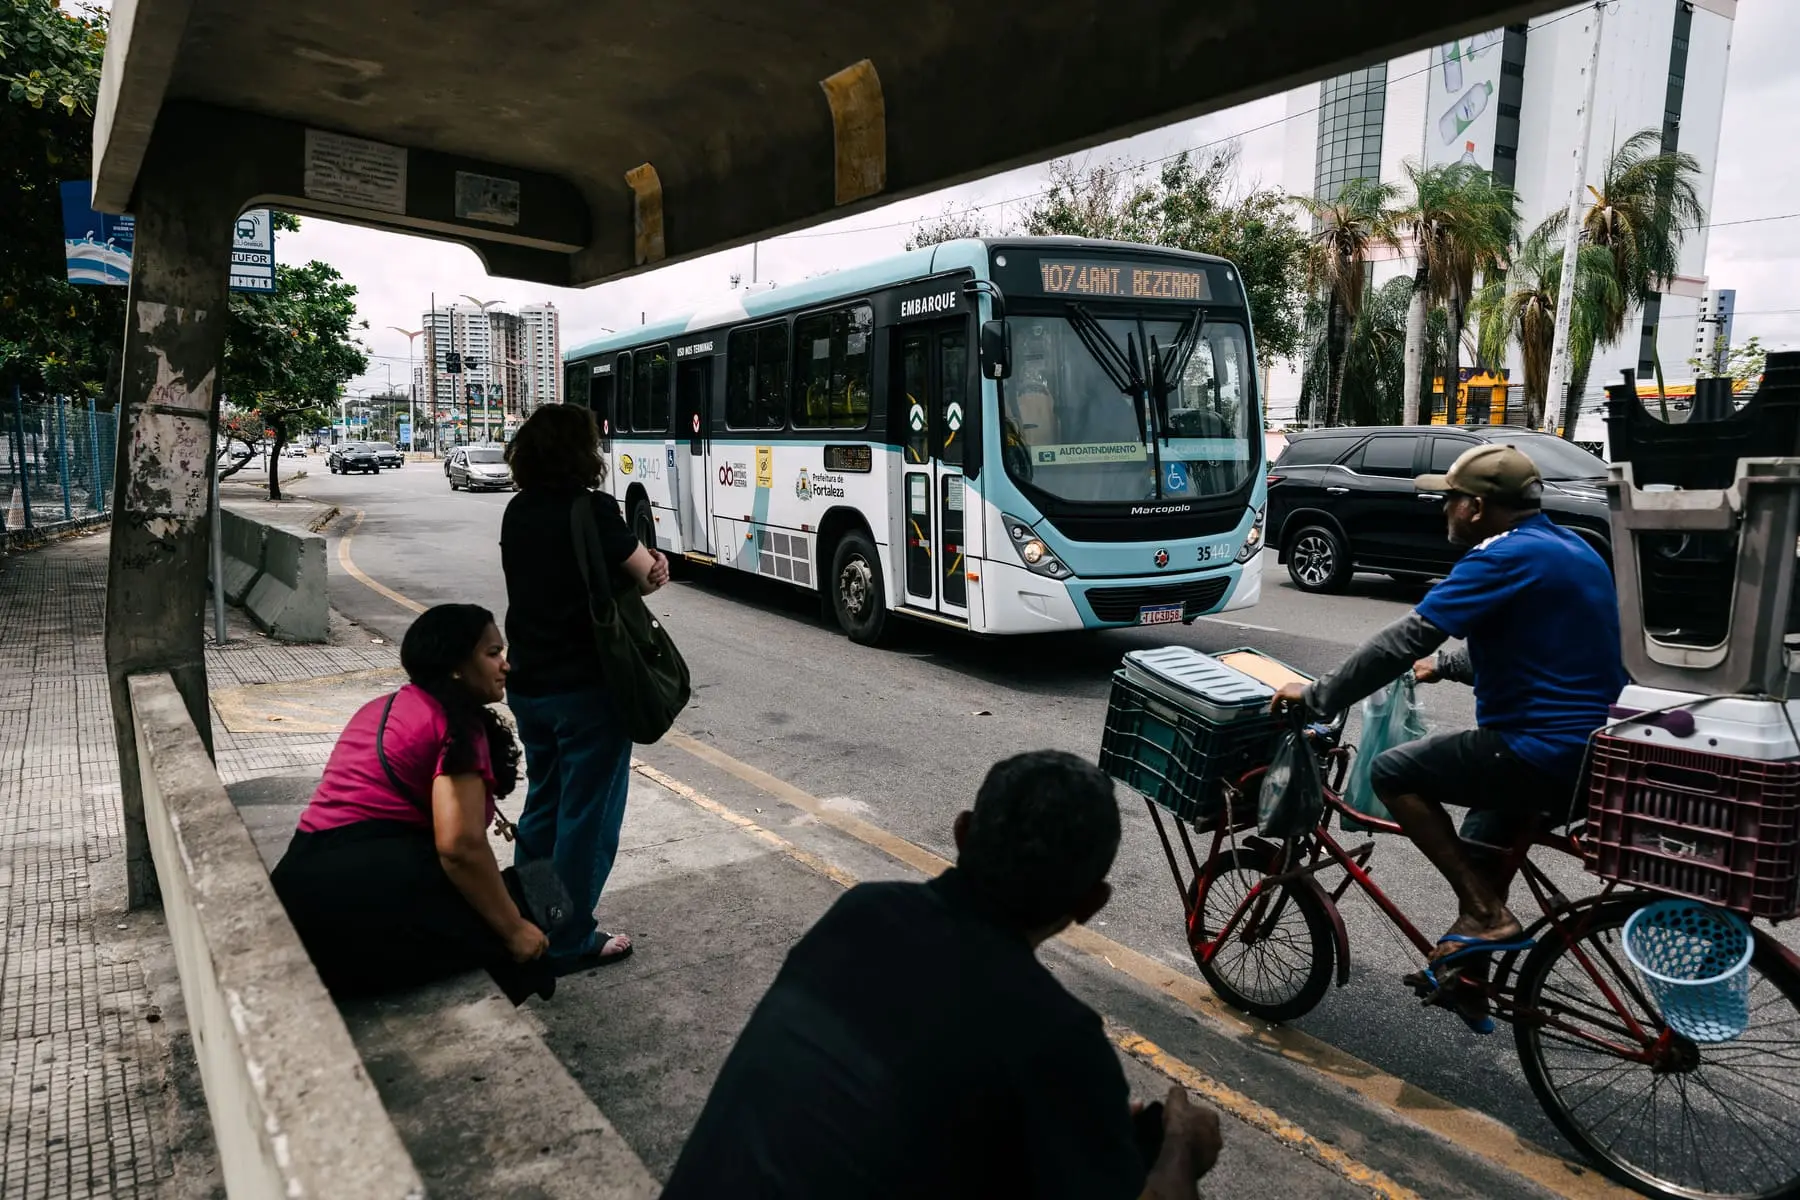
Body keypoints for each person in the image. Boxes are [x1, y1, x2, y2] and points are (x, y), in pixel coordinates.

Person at [660, 751, 1223, 1200]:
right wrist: (1181, 1152)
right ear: (1091, 903)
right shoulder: (1057, 1037)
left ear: (961, 833)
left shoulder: (859, 913)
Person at [1272, 444, 1626, 1003]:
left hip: (1541, 750)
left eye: (1451, 500)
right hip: (1596, 750)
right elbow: (1533, 644)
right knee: (1482, 841)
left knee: (1395, 771)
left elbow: (1405, 637)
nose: (1444, 511)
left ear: (1479, 508)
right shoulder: (1572, 547)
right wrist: (1446, 666)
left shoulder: (1500, 556)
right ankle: (1469, 976)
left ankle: (1486, 914)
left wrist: (1317, 695)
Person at [270, 603, 554, 1005]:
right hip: (360, 904)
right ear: (456, 664)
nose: (505, 664)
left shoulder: (383, 707)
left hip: (300, 891)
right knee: (539, 896)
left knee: (509, 895)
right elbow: (460, 848)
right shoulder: (458, 727)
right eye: (492, 654)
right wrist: (514, 930)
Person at [500, 404, 670, 974]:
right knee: (587, 817)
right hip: (588, 688)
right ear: (583, 453)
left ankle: (534, 919)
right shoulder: (592, 509)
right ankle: (570, 937)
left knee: (543, 808)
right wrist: (658, 567)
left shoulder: (516, 511)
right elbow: (645, 573)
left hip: (528, 684)